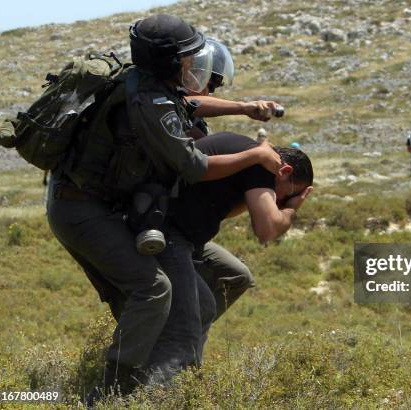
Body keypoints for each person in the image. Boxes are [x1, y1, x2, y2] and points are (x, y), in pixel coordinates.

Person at [45, 14, 282, 401]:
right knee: (153, 289)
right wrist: (256, 155)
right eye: (187, 57)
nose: (193, 63)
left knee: (202, 296)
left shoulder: (146, 81)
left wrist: (242, 107)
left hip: (95, 203)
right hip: (82, 209)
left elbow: (187, 103)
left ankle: (163, 362)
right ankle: (112, 391)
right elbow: (195, 166)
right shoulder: (148, 100)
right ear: (170, 60)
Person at [146, 131, 313, 382]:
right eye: (288, 194)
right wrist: (291, 208)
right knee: (189, 322)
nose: (281, 201)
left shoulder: (253, 162)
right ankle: (157, 392)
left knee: (234, 277)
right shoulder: (262, 166)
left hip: (181, 234)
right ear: (285, 171)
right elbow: (267, 230)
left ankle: (185, 374)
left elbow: (225, 209)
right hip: (166, 232)